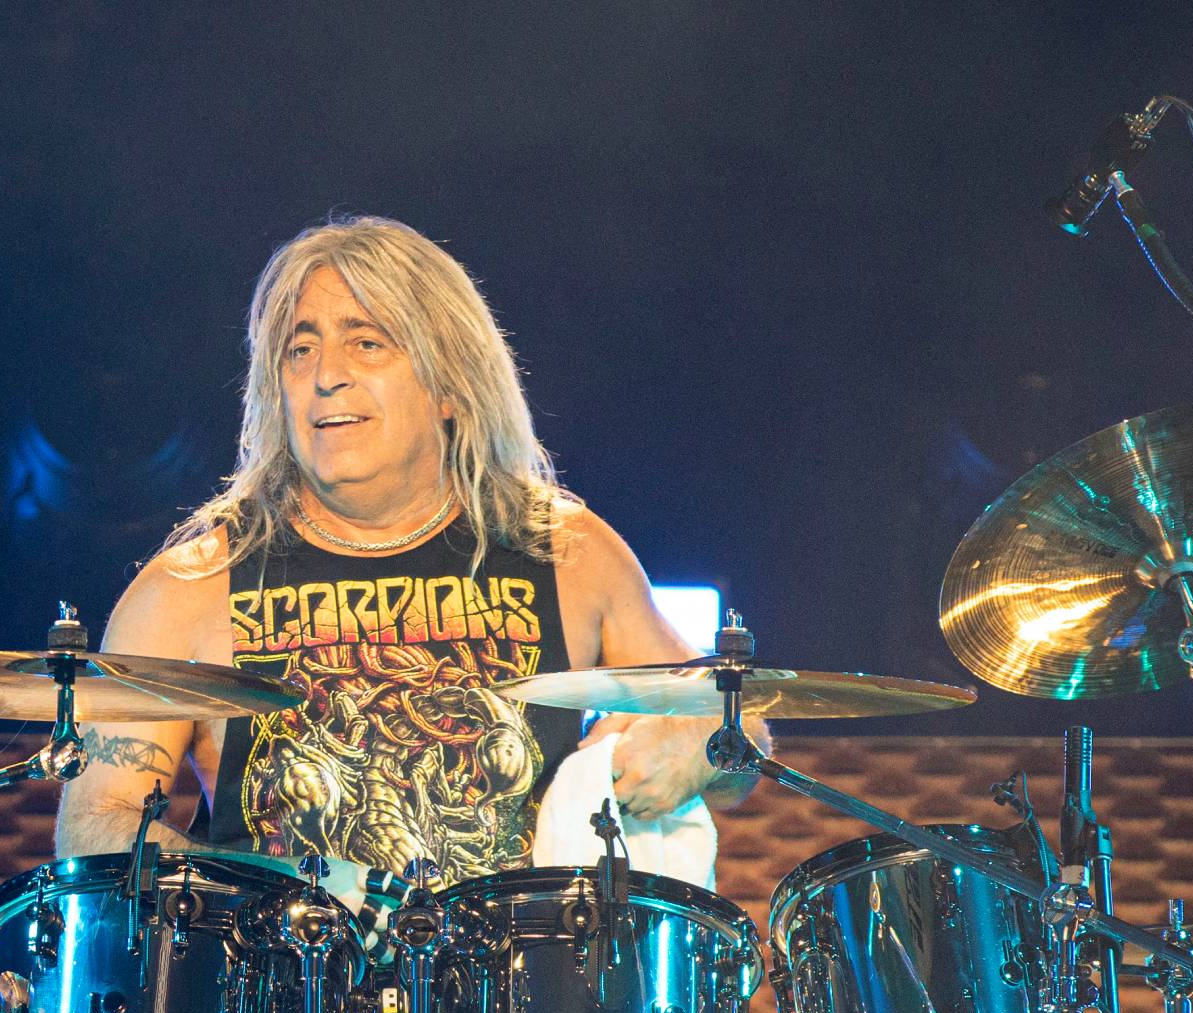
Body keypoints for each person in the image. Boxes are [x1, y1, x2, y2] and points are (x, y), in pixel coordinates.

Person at [54, 214, 764, 879]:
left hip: (523, 998)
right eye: (300, 349)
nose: (325, 373)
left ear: (450, 386)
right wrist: (259, 888)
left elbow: (743, 732)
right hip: (278, 992)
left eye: (366, 342)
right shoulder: (193, 584)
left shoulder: (567, 554)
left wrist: (700, 743)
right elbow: (96, 822)